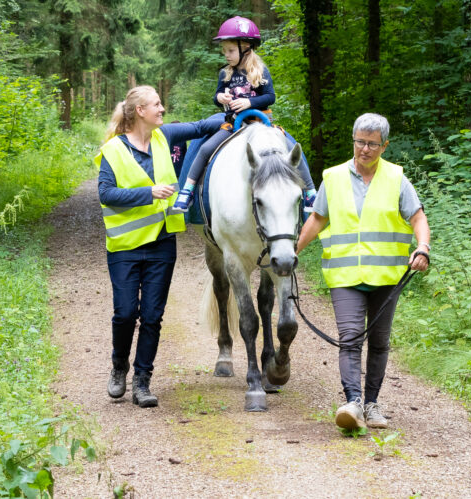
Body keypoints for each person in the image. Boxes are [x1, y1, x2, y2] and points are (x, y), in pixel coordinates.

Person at [294, 113, 430, 431]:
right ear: (353, 140)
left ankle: (372, 405)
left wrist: (422, 247)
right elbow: (317, 219)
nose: (364, 149)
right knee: (351, 339)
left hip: (387, 276)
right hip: (346, 275)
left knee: (379, 342)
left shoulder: (397, 179)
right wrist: (293, 251)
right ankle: (353, 403)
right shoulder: (335, 177)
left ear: (384, 146)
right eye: (359, 142)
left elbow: (418, 218)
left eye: (371, 144)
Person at [96, 86, 223, 408]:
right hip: (125, 247)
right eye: (156, 104)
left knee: (152, 316)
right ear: (139, 110)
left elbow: (200, 127)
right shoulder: (113, 150)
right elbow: (106, 194)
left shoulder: (164, 137)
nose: (162, 109)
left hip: (162, 244)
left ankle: (142, 381)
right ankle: (118, 367)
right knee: (126, 314)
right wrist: (149, 193)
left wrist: (239, 110)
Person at [169, 16, 315, 214]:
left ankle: (310, 192)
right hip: (233, 124)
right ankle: (188, 190)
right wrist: (221, 97)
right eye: (224, 51)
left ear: (246, 47)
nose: (226, 55)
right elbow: (216, 96)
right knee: (206, 149)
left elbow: (270, 97)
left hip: (260, 124)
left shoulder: (260, 71)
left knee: (291, 147)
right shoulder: (225, 73)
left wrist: (249, 102)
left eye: (230, 50)